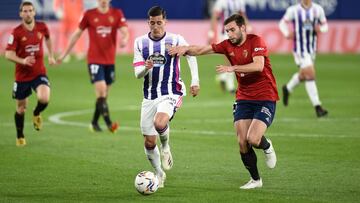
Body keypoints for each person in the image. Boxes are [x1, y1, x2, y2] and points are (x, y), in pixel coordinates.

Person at [169, 14, 277, 189]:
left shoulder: (256, 41)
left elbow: (258, 66)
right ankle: (256, 180)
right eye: (226, 31)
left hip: (265, 96)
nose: (229, 34)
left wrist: (232, 68)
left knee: (253, 139)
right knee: (242, 141)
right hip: (243, 97)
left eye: (232, 30)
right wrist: (185, 49)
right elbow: (203, 50)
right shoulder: (227, 45)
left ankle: (267, 145)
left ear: (243, 28)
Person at [133, 6, 200, 188]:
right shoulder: (140, 43)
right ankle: (159, 174)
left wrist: (195, 80)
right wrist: (146, 68)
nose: (155, 26)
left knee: (160, 123)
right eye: (152, 23)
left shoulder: (176, 39)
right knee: (148, 142)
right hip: (149, 96)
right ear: (148, 22)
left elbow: (191, 55)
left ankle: (166, 148)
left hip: (171, 91)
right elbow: (137, 73)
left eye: (159, 23)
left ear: (165, 22)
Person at [57, 0, 130, 132]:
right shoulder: (89, 14)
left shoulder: (117, 13)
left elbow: (125, 30)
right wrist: (64, 54)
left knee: (104, 95)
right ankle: (109, 124)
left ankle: (94, 122)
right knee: (101, 89)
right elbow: (76, 35)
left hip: (110, 60)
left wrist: (125, 38)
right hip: (94, 59)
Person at [5, 1, 56, 147]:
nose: (28, 13)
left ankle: (36, 113)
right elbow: (8, 54)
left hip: (39, 72)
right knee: (21, 108)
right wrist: (23, 60)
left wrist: (51, 55)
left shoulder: (42, 27)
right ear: (21, 14)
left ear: (34, 12)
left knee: (44, 98)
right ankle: (20, 135)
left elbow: (48, 38)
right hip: (22, 76)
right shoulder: (16, 32)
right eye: (25, 11)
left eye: (30, 10)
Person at [279, 0, 328, 117]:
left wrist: (320, 29)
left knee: (303, 75)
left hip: (311, 49)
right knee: (310, 74)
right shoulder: (293, 10)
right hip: (300, 50)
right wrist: (286, 33)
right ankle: (318, 106)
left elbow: (325, 25)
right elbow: (282, 23)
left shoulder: (318, 9)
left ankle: (287, 88)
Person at [209, 0, 250, 93]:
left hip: (237, 34)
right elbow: (215, 16)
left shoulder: (240, 2)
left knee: (233, 58)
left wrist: (248, 26)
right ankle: (230, 85)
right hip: (225, 34)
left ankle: (222, 77)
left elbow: (242, 16)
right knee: (231, 58)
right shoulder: (222, 2)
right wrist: (211, 32)